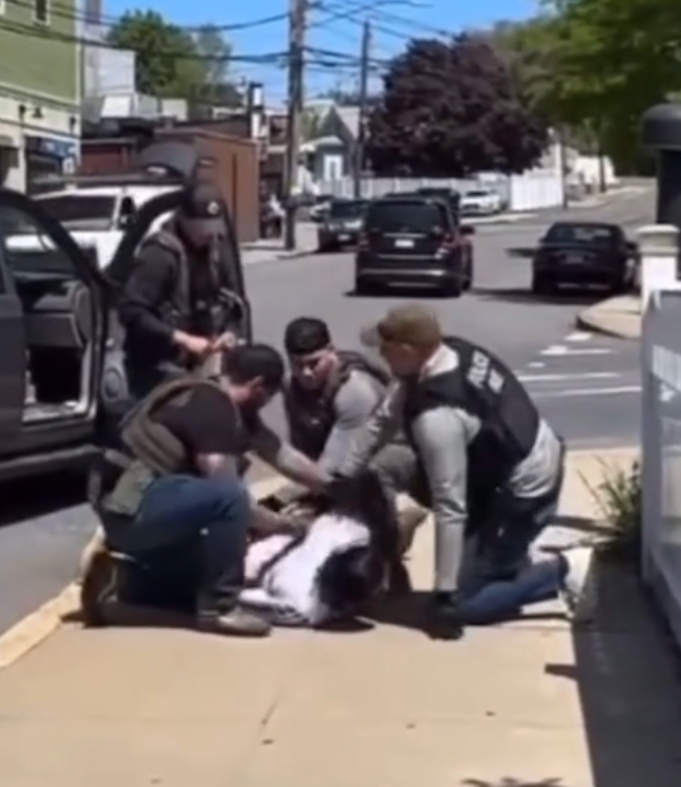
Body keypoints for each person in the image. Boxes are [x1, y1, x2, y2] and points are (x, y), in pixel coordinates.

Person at [337, 303, 594, 638]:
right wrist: (345, 474)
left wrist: (445, 595)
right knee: (383, 468)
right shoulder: (447, 353)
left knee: (466, 605)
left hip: (523, 497)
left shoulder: (438, 417)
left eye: (384, 348)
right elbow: (382, 421)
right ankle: (504, 562)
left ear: (406, 350)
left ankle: (562, 571)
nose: (380, 355)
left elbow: (450, 506)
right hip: (505, 467)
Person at [81, 343, 333, 637]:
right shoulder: (213, 409)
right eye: (267, 397)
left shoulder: (209, 396)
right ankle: (221, 609)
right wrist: (283, 525)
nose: (265, 406)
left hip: (133, 508)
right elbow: (226, 493)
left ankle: (121, 578)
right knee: (231, 498)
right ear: (258, 386)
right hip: (137, 509)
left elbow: (280, 453)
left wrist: (333, 485)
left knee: (199, 579)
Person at [281, 316, 427, 557]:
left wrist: (285, 497)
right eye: (296, 365)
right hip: (338, 453)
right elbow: (299, 448)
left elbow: (335, 465)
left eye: (313, 363)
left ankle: (395, 530)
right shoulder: (291, 386)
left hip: (390, 453)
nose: (305, 373)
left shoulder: (355, 392)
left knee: (367, 479)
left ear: (331, 351)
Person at [117, 182, 242, 399]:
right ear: (183, 220)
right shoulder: (159, 254)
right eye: (202, 228)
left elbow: (233, 300)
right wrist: (182, 339)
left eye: (213, 227)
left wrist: (229, 333)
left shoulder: (217, 248)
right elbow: (131, 310)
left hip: (202, 362)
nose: (209, 235)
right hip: (159, 364)